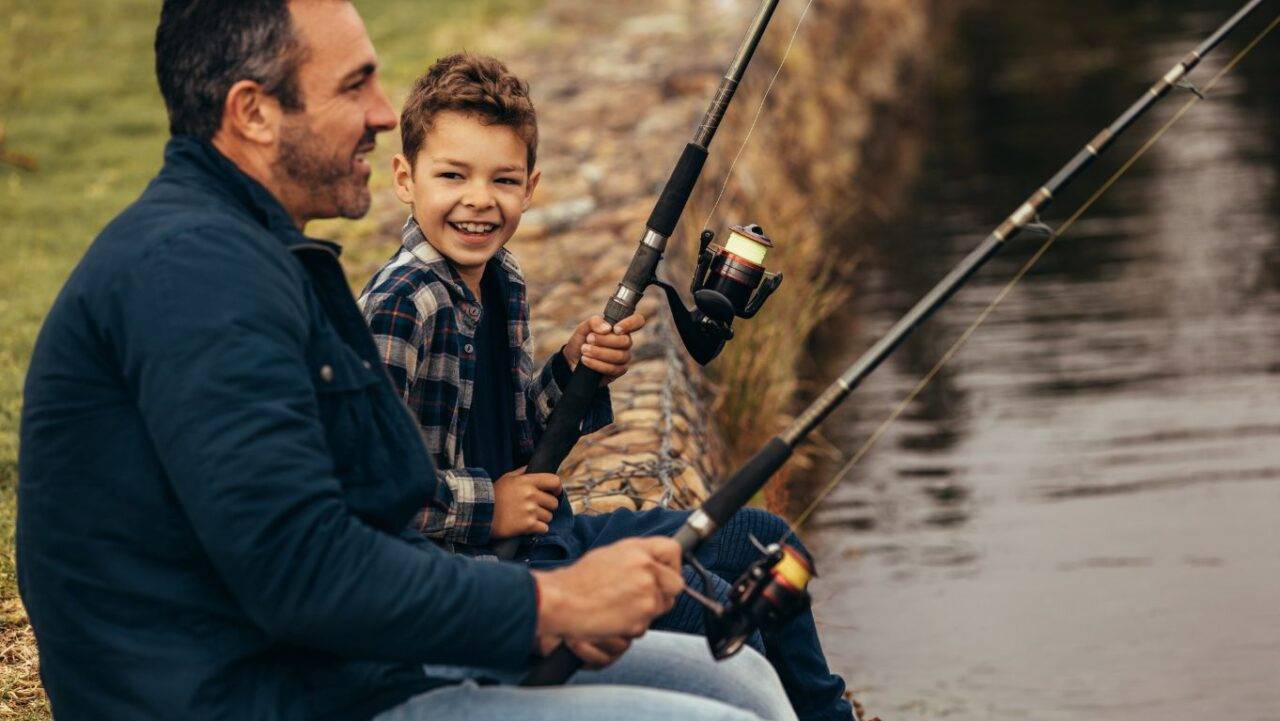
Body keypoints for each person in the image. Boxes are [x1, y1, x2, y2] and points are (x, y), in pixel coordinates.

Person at [15, 2, 798, 720]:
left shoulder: (257, 255)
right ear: (254, 113)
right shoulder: (195, 277)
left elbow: (368, 516)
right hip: (259, 696)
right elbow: (304, 566)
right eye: (355, 86)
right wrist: (549, 602)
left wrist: (520, 596)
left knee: (746, 684)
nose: (383, 115)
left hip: (346, 663)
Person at [358, 53, 854, 721]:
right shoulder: (400, 306)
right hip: (477, 580)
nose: (479, 199)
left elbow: (519, 434)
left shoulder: (500, 276)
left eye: (503, 179)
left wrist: (572, 369)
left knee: (768, 543)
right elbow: (372, 491)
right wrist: (489, 505)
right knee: (704, 598)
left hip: (547, 538)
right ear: (404, 179)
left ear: (530, 187)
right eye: (453, 175)